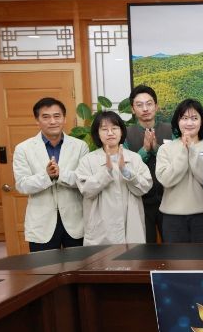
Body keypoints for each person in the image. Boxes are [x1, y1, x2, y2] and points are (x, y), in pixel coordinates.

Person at [13, 97, 89, 252]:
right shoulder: (23, 149)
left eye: (57, 116)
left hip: (75, 221)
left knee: (79, 265)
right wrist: (46, 176)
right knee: (44, 266)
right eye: (46, 117)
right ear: (37, 120)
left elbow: (84, 180)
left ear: (64, 118)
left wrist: (61, 174)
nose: (52, 121)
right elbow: (22, 185)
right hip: (41, 224)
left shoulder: (80, 146)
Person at [76, 111, 152, 245]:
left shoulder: (134, 158)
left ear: (121, 132)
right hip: (100, 229)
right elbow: (86, 190)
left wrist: (126, 172)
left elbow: (145, 187)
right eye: (104, 129)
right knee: (103, 258)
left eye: (115, 128)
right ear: (97, 134)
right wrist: (107, 172)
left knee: (132, 257)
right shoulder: (87, 160)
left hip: (130, 226)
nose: (110, 133)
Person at [155, 99, 203, 243]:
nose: (189, 123)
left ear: (201, 121)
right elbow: (166, 180)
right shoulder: (165, 149)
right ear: (177, 121)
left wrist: (192, 150)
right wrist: (183, 151)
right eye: (184, 118)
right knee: (175, 257)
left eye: (194, 118)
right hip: (172, 218)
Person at [124, 84, 173, 243]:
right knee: (145, 248)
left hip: (169, 199)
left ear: (156, 106)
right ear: (133, 109)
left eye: (149, 104)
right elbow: (126, 168)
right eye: (139, 105)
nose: (145, 109)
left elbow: (176, 163)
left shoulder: (171, 130)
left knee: (172, 247)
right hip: (140, 201)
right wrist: (145, 150)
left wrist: (156, 149)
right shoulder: (125, 134)